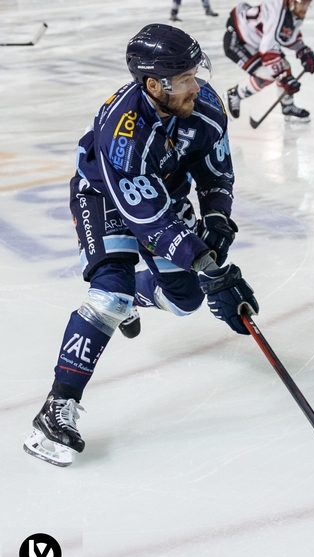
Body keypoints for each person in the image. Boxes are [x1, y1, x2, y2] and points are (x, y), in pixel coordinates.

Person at [23, 24, 260, 467]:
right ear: (154, 85)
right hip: (105, 196)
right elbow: (147, 220)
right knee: (109, 295)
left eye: (194, 74)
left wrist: (216, 220)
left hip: (161, 195)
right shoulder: (123, 130)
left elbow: (216, 173)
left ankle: (133, 295)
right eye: (184, 79)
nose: (196, 86)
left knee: (185, 300)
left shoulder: (205, 107)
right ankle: (56, 407)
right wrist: (207, 266)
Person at [223, 0, 314, 123]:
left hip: (255, 41)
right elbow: (267, 49)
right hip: (237, 40)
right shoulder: (277, 11)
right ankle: (235, 94)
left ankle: (287, 105)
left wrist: (303, 52)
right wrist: (284, 78)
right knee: (269, 73)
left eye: (308, 4)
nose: (305, 8)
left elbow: (288, 36)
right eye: (303, 4)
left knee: (283, 67)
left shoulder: (291, 11)